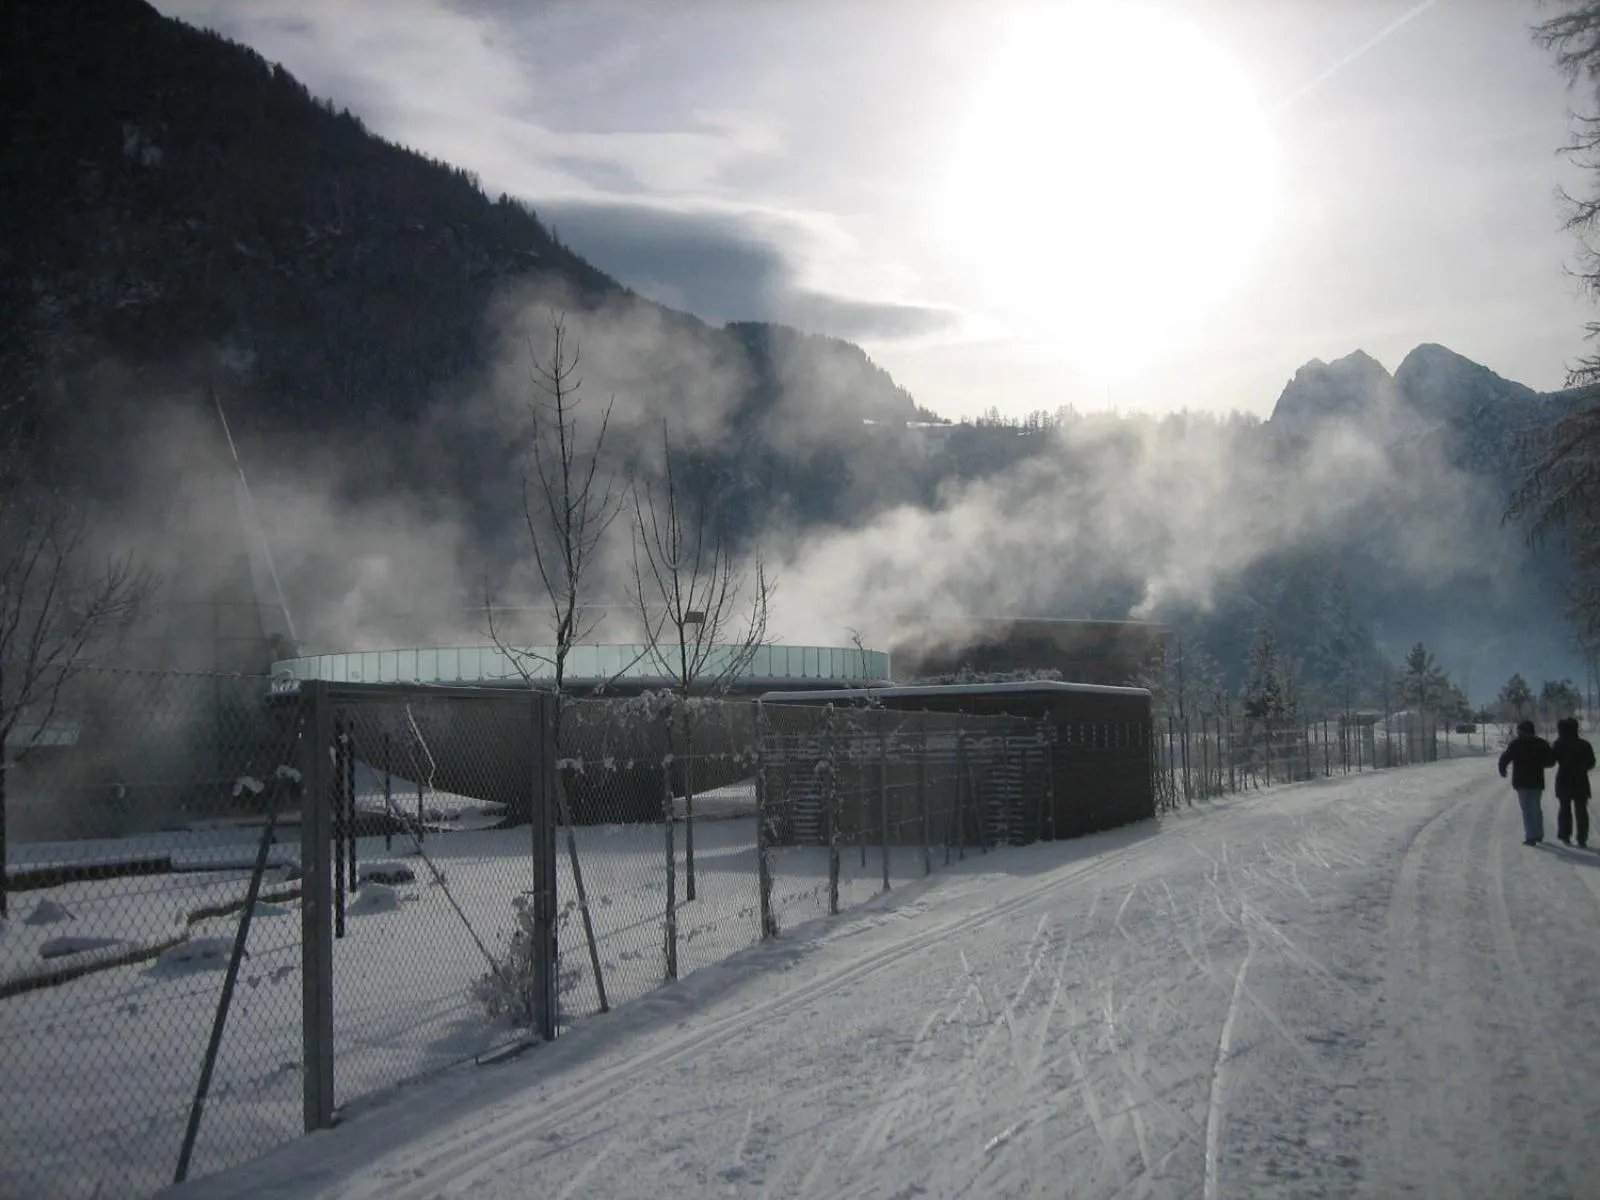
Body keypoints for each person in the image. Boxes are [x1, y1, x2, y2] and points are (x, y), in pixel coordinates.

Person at [1500, 720, 1557, 846]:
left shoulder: (1516, 744)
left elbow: (1505, 758)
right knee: (1535, 807)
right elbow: (1551, 761)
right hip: (1537, 780)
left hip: (1521, 781)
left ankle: (1531, 836)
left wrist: (1502, 769)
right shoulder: (1541, 743)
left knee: (1527, 809)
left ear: (1521, 731)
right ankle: (1538, 833)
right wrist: (1541, 763)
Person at [1553, 716, 1596, 848]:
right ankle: (1582, 838)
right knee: (1581, 810)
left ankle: (1565, 835)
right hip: (1580, 780)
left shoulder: (1558, 744)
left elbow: (1551, 760)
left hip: (1564, 779)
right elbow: (1591, 763)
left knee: (1564, 809)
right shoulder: (1584, 744)